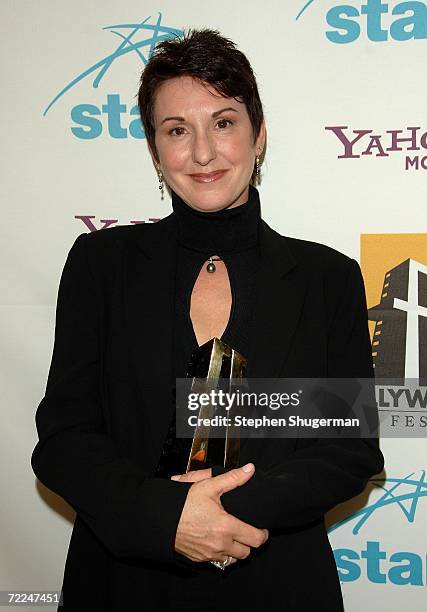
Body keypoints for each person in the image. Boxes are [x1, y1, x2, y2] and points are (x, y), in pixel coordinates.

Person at [31, 29, 384, 611]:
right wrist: (164, 519)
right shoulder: (100, 264)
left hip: (278, 582)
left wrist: (217, 518)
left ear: (258, 134)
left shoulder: (329, 277)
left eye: (223, 122)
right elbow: (65, 439)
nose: (202, 153)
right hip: (124, 583)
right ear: (154, 149)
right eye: (177, 130)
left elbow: (350, 450)